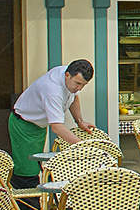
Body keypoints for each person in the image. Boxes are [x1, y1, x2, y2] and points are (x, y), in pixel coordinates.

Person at [8, 59, 96, 188]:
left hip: (39, 126)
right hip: (24, 125)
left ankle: (38, 204)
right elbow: (57, 127)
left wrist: (80, 122)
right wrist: (83, 145)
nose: (79, 88)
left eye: (83, 85)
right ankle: (25, 206)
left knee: (36, 167)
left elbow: (74, 97)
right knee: (26, 172)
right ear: (67, 75)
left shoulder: (70, 76)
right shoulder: (52, 90)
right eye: (77, 83)